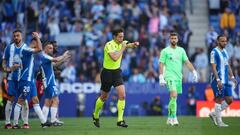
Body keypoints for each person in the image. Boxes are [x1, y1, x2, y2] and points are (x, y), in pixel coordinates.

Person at [92, 27, 139, 128]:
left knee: (122, 95)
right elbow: (114, 58)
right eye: (120, 37)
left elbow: (128, 45)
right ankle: (95, 114)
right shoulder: (109, 45)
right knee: (104, 97)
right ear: (114, 37)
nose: (122, 39)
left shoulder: (122, 42)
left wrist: (134, 45)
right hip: (107, 73)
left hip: (117, 72)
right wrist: (123, 47)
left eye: (122, 36)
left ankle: (120, 120)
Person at [12, 32, 51, 128]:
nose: (37, 45)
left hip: (31, 80)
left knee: (35, 99)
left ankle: (43, 122)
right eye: (36, 43)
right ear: (33, 43)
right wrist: (38, 37)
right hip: (25, 80)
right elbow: (40, 48)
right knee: (21, 100)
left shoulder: (29, 51)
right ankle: (15, 123)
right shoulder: (26, 49)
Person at [159, 32, 198, 126]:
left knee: (173, 98)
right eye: (172, 38)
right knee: (173, 94)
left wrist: (194, 72)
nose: (173, 40)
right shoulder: (165, 51)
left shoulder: (181, 50)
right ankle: (174, 118)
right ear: (169, 39)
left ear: (177, 39)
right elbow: (161, 64)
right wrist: (161, 77)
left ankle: (169, 117)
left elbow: (187, 62)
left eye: (175, 38)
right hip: (169, 76)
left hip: (178, 77)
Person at [1, 29, 29, 129]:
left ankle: (25, 122)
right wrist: (7, 69)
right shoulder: (9, 48)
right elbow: (4, 61)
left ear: (22, 36)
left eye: (18, 35)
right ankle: (8, 122)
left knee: (24, 100)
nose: (16, 37)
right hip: (12, 78)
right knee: (10, 99)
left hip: (23, 78)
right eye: (14, 36)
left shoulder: (26, 48)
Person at [209, 35, 238, 127]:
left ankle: (214, 114)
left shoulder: (225, 51)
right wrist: (218, 80)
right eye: (222, 41)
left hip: (225, 79)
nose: (224, 43)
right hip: (217, 79)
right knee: (218, 99)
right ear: (218, 41)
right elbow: (213, 67)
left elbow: (228, 65)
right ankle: (220, 122)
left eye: (225, 41)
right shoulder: (214, 52)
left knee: (229, 100)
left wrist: (232, 76)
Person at [40, 41, 71, 126]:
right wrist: (64, 56)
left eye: (52, 48)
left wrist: (64, 59)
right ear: (45, 48)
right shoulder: (44, 56)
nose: (51, 50)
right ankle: (52, 120)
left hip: (47, 81)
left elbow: (54, 64)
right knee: (55, 100)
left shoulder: (44, 57)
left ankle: (44, 121)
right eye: (50, 48)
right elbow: (56, 59)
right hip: (49, 82)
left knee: (48, 101)